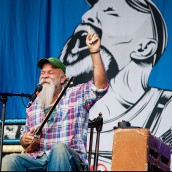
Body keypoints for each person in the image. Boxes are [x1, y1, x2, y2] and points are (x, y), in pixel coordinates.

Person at [59, 0, 172, 170]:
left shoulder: (170, 112)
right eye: (92, 10)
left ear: (144, 48)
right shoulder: (68, 106)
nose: (87, 16)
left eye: (109, 12)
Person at [1, 27, 109, 171]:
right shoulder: (33, 106)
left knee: (58, 150)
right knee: (9, 160)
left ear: (62, 78)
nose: (44, 76)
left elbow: (100, 87)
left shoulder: (76, 95)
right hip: (39, 160)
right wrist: (26, 140)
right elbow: (26, 142)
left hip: (69, 160)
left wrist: (94, 52)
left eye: (50, 72)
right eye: (43, 73)